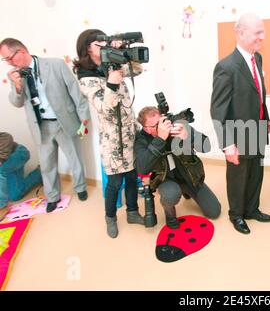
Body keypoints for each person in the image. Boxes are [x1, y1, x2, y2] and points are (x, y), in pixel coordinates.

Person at [0, 38, 90, 213]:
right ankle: (52, 197)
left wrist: (84, 118)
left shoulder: (55, 65)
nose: (9, 63)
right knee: (47, 163)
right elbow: (17, 102)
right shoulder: (15, 75)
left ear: (22, 51)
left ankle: (80, 188)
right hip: (41, 126)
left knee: (75, 158)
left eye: (10, 58)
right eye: (6, 60)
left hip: (65, 120)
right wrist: (17, 85)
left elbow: (74, 91)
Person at [73, 29, 144, 238]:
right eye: (98, 44)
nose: (103, 47)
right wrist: (112, 82)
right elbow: (104, 108)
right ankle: (110, 218)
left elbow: (138, 69)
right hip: (112, 139)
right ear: (87, 48)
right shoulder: (86, 77)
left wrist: (124, 51)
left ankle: (132, 212)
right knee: (114, 183)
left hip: (130, 132)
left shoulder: (113, 64)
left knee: (132, 177)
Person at [210, 13, 270, 235]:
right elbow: (218, 110)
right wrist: (228, 145)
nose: (262, 37)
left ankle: (252, 209)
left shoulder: (259, 59)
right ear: (241, 33)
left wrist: (266, 118)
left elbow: (259, 93)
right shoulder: (226, 67)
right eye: (258, 32)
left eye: (262, 32)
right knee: (238, 177)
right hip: (238, 134)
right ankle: (236, 214)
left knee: (256, 173)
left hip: (257, 130)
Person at [134, 107, 221, 228]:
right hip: (166, 180)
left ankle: (186, 191)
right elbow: (141, 168)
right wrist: (159, 140)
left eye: (162, 121)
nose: (162, 127)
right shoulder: (142, 139)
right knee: (171, 194)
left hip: (189, 176)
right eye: (156, 125)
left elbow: (206, 146)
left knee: (214, 211)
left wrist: (187, 137)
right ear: (147, 129)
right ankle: (170, 215)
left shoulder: (177, 125)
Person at [0, 132, 42, 221]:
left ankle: (1, 208)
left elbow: (6, 136)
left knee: (0, 170)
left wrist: (1, 159)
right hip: (7, 164)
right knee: (14, 196)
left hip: (18, 153)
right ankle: (39, 173)